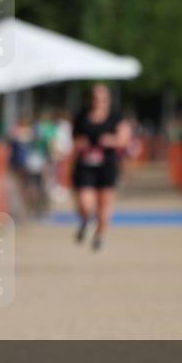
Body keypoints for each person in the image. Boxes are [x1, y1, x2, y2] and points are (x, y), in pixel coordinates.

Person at [71, 83, 130, 250]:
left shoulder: (115, 118)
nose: (98, 101)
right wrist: (79, 144)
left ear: (108, 100)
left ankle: (100, 235)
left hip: (107, 165)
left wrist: (111, 140)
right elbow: (73, 138)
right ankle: (85, 221)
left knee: (104, 202)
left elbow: (124, 139)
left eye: (102, 98)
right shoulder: (81, 116)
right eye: (95, 98)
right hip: (85, 165)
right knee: (85, 202)